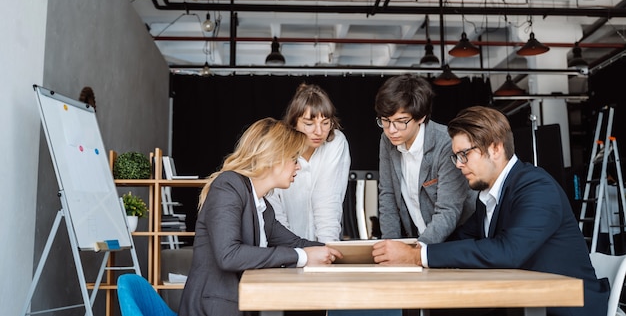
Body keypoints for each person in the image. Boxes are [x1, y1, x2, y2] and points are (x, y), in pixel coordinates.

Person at [372, 106, 610, 316]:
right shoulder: (488, 197)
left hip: (565, 308)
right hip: (522, 303)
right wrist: (415, 253)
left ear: (495, 149)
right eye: (456, 156)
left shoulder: (536, 187)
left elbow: (508, 251)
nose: (458, 164)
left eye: (464, 154)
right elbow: (460, 240)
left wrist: (416, 256)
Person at [178, 118, 343, 316]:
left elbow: (295, 242)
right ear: (275, 157)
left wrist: (349, 254)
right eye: (294, 159)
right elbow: (228, 256)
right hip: (214, 310)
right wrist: (304, 256)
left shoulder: (263, 206)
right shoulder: (228, 186)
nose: (298, 167)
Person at [374, 74, 475, 244]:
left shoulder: (446, 143)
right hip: (419, 237)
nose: (391, 130)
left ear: (421, 117)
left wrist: (416, 251)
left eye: (401, 121)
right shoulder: (387, 140)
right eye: (385, 120)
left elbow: (448, 210)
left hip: (459, 239)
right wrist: (390, 246)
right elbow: (388, 195)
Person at [266, 83, 351, 243]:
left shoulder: (336, 142)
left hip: (324, 244)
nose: (318, 132)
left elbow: (328, 199)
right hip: (285, 246)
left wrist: (326, 250)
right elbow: (274, 206)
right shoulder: (279, 147)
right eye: (309, 124)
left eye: (325, 123)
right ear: (294, 122)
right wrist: (292, 249)